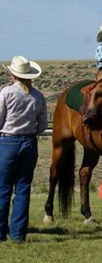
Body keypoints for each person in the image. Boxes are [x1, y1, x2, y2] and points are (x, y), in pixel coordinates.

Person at [0, 56, 47, 243]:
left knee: (3, 189)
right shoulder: (38, 96)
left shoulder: (6, 93)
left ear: (13, 74)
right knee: (23, 189)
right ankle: (18, 235)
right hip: (29, 143)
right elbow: (42, 125)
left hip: (8, 141)